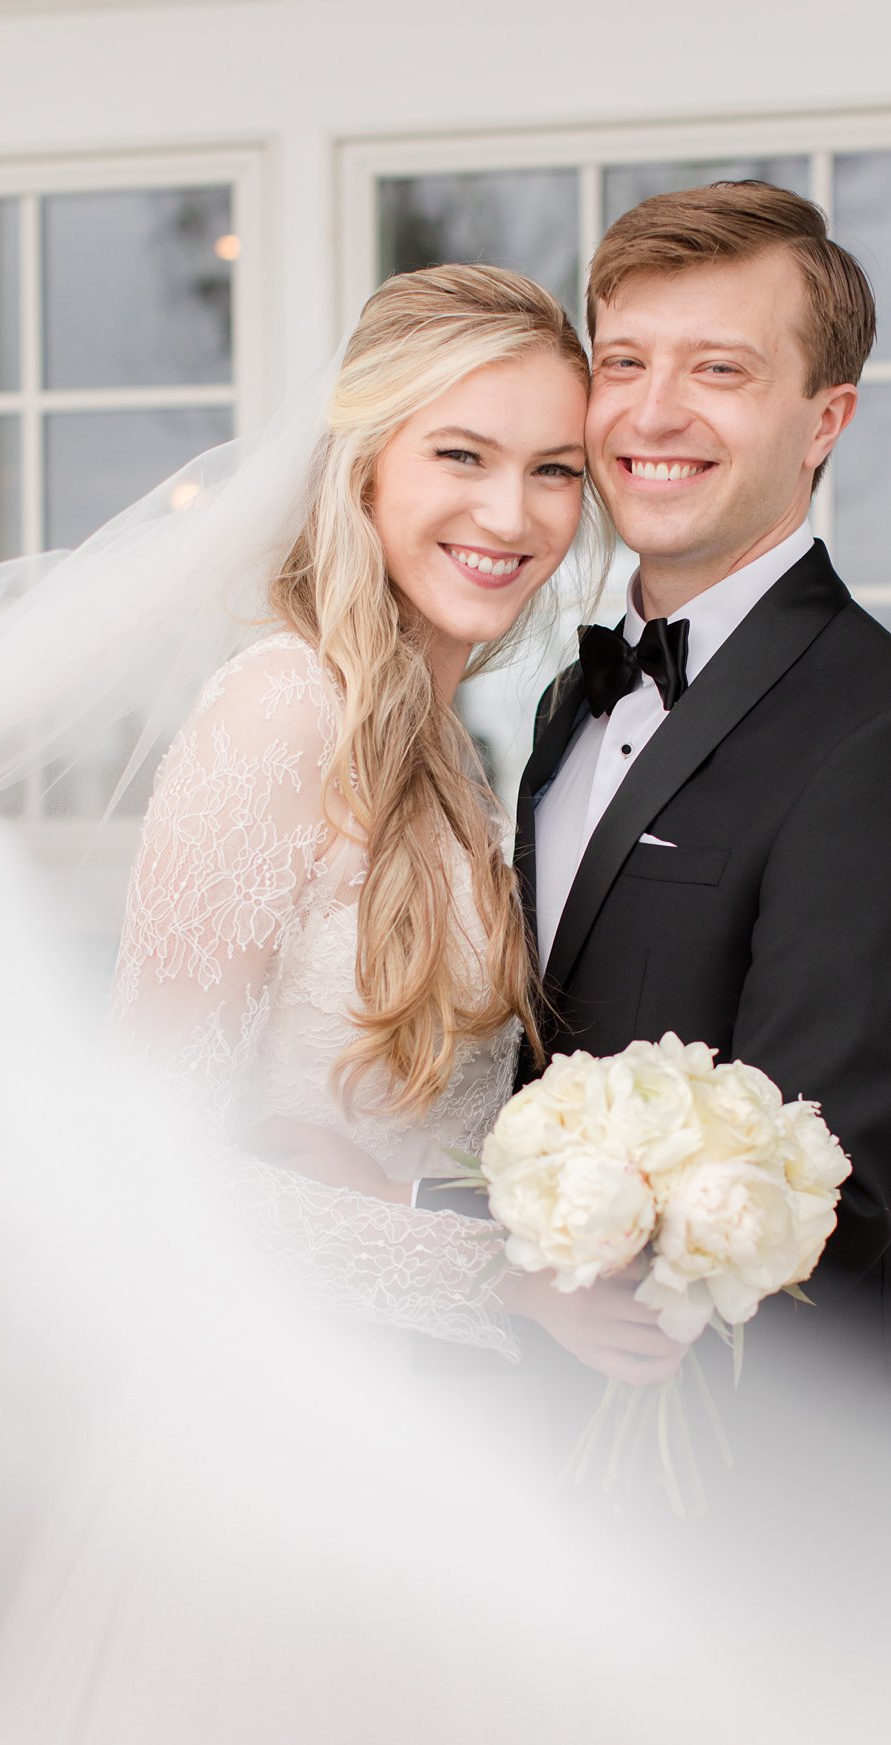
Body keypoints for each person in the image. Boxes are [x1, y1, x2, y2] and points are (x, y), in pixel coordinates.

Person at [514, 182, 891, 1620]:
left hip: (763, 1516)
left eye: (720, 370)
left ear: (825, 421)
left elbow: (822, 1189)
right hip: (548, 1501)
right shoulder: (567, 700)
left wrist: (486, 1258)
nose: (654, 413)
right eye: (626, 362)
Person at [112, 261, 690, 1388]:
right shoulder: (282, 707)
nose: (509, 514)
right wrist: (490, 1276)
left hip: (432, 1403)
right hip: (279, 1406)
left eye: (553, 471)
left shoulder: (448, 750)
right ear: (364, 463)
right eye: (461, 454)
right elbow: (145, 1164)